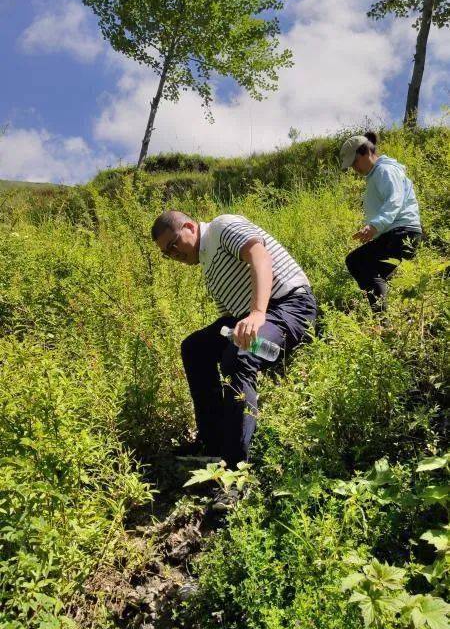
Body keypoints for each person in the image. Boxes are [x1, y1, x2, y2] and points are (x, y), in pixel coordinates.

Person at [151, 210, 317, 474]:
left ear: (190, 227)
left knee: (238, 356)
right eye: (167, 254)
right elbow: (229, 318)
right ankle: (212, 442)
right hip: (256, 316)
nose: (174, 255)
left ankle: (235, 468)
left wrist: (257, 313)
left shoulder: (221, 227)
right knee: (194, 348)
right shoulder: (208, 263)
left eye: (173, 245)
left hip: (289, 305)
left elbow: (260, 257)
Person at [340, 131, 422, 314]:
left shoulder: (385, 170)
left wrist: (374, 225)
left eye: (354, 162)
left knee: (362, 264)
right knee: (359, 264)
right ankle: (385, 310)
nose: (354, 168)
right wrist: (373, 231)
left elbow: (394, 200)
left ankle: (381, 322)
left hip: (402, 232)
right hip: (396, 232)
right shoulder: (377, 174)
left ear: (365, 152)